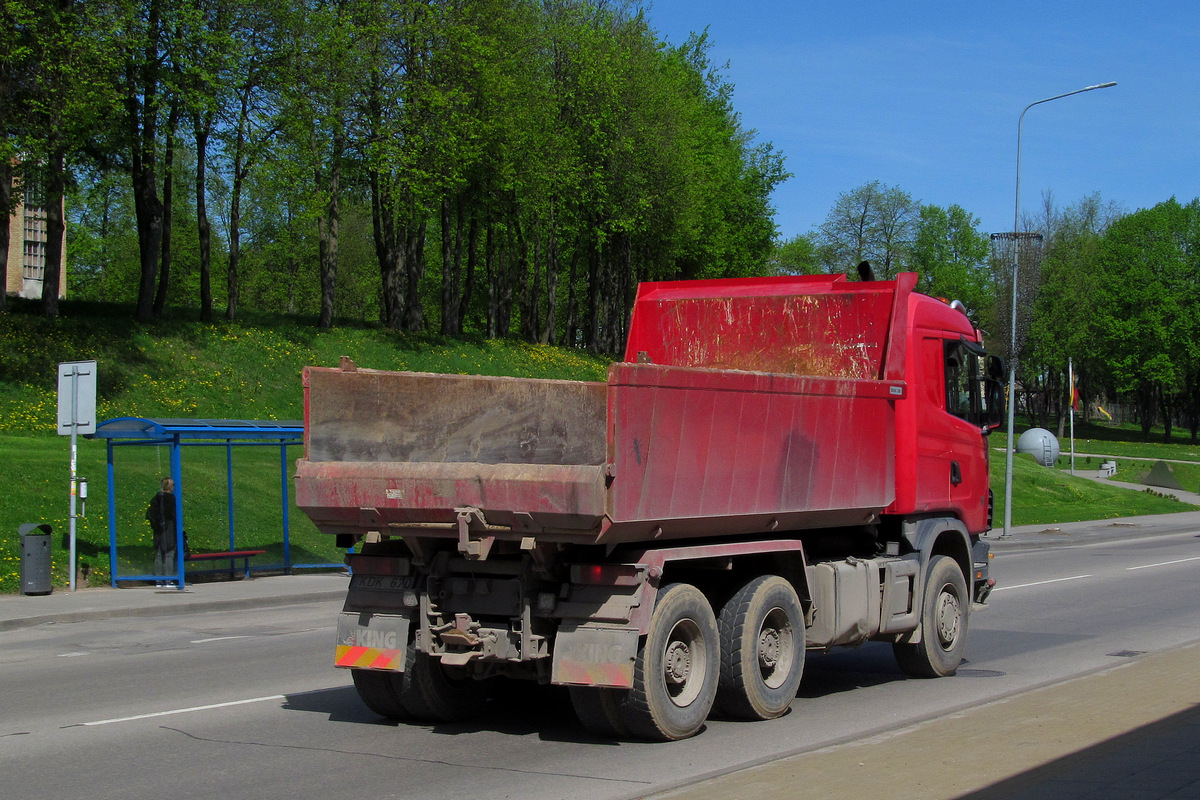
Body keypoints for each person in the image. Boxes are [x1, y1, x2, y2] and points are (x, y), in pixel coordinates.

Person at [146, 478, 178, 585]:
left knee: (159, 554)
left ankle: (158, 579)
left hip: (158, 529)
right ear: (170, 486)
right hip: (169, 528)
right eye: (172, 485)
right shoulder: (171, 498)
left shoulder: (156, 498)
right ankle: (168, 579)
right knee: (169, 554)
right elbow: (173, 514)